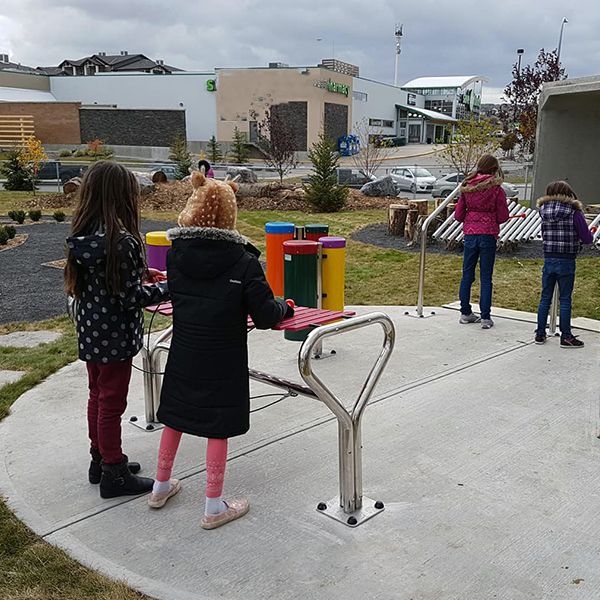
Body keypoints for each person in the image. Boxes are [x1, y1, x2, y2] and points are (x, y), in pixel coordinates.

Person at [147, 171, 293, 529]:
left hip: (183, 351)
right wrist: (284, 307)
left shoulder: (175, 256)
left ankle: (160, 486)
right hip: (223, 358)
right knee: (217, 427)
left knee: (175, 416)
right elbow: (263, 315)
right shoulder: (244, 262)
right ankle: (214, 507)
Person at [65, 161, 170, 498]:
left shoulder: (84, 236)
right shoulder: (122, 240)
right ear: (120, 196)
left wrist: (141, 273)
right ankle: (115, 472)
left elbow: (108, 281)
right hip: (116, 337)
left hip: (91, 332)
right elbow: (131, 299)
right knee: (112, 403)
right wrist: (170, 288)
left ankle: (100, 459)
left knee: (97, 396)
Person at [534, 181, 593, 348]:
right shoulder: (574, 213)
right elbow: (587, 238)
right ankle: (566, 336)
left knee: (545, 297)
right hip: (566, 259)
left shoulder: (543, 211)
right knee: (565, 299)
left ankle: (540, 333)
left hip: (549, 258)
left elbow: (544, 234)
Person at [454, 154, 509, 329]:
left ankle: (465, 312)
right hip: (488, 234)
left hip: (470, 233)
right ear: (494, 169)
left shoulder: (467, 186)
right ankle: (485, 317)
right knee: (486, 277)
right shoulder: (497, 189)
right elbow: (503, 216)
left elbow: (458, 215)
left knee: (467, 274)